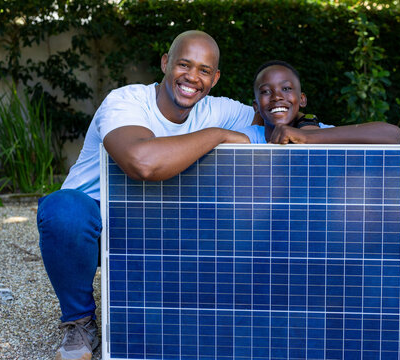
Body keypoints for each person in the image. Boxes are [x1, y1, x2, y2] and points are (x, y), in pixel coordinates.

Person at [37, 30, 256, 360]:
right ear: (166, 63)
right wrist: (218, 135)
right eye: (184, 64)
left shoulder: (222, 110)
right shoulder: (126, 101)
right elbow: (142, 163)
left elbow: (280, 122)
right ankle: (79, 321)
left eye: (204, 71)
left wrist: (305, 126)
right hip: (98, 222)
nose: (192, 77)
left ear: (215, 79)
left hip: (157, 225)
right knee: (63, 210)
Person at [238, 60, 400, 144]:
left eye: (286, 89)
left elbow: (394, 135)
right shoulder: (250, 137)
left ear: (302, 100)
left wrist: (306, 137)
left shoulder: (322, 133)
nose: (277, 97)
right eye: (266, 91)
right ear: (256, 106)